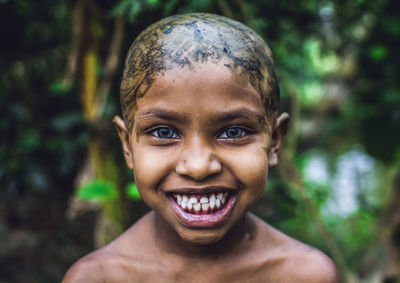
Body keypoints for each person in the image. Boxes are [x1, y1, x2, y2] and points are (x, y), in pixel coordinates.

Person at [63, 13, 340, 282]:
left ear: (275, 142)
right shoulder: (98, 278)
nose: (198, 167)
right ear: (127, 145)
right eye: (164, 132)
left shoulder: (305, 275)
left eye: (233, 132)